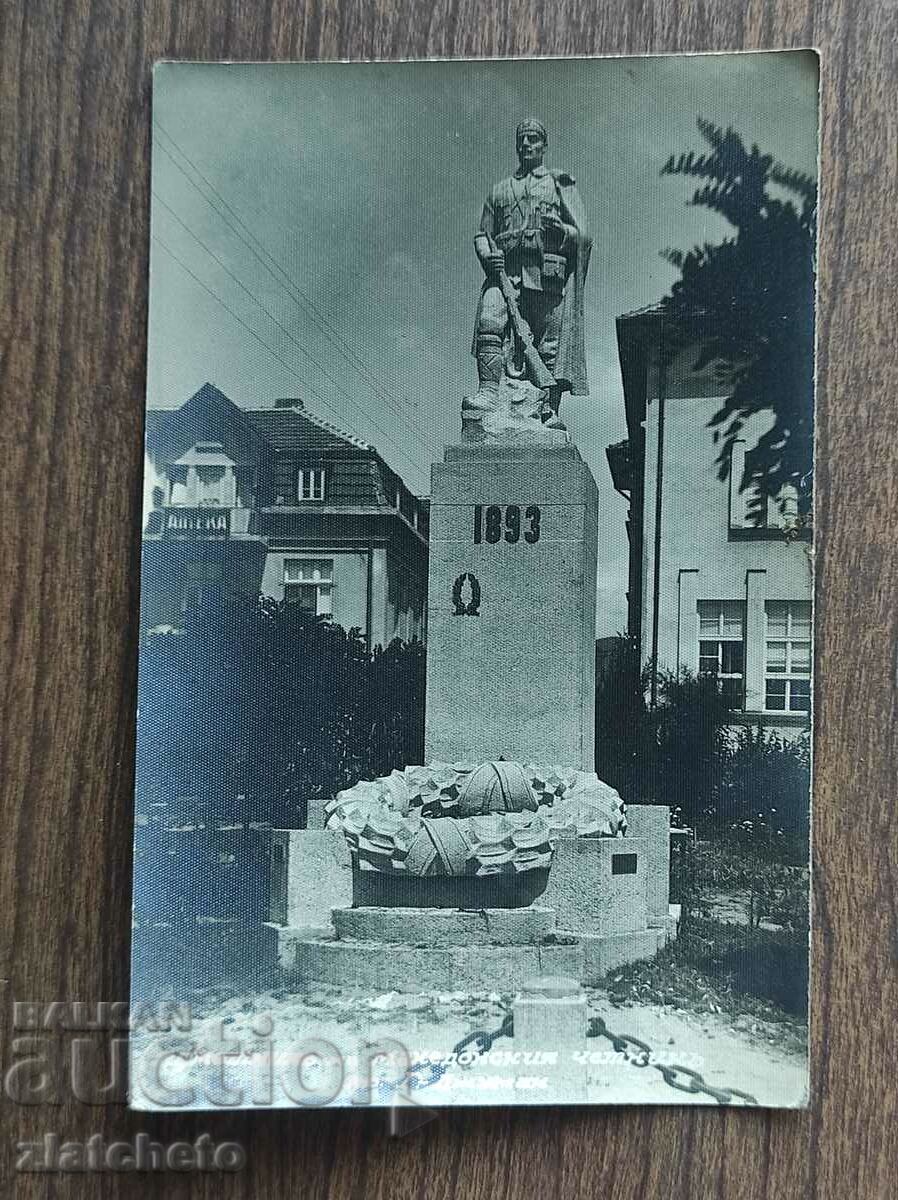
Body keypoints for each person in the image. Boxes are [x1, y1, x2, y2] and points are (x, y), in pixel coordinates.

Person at [465, 118, 592, 428]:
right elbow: (483, 233)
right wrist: (487, 257)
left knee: (550, 343)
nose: (526, 144)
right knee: (489, 322)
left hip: (546, 275)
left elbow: (584, 235)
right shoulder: (499, 191)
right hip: (505, 274)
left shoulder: (559, 183)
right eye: (521, 139)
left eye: (533, 139)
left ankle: (548, 410)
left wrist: (563, 230)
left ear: (544, 146)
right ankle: (488, 391)